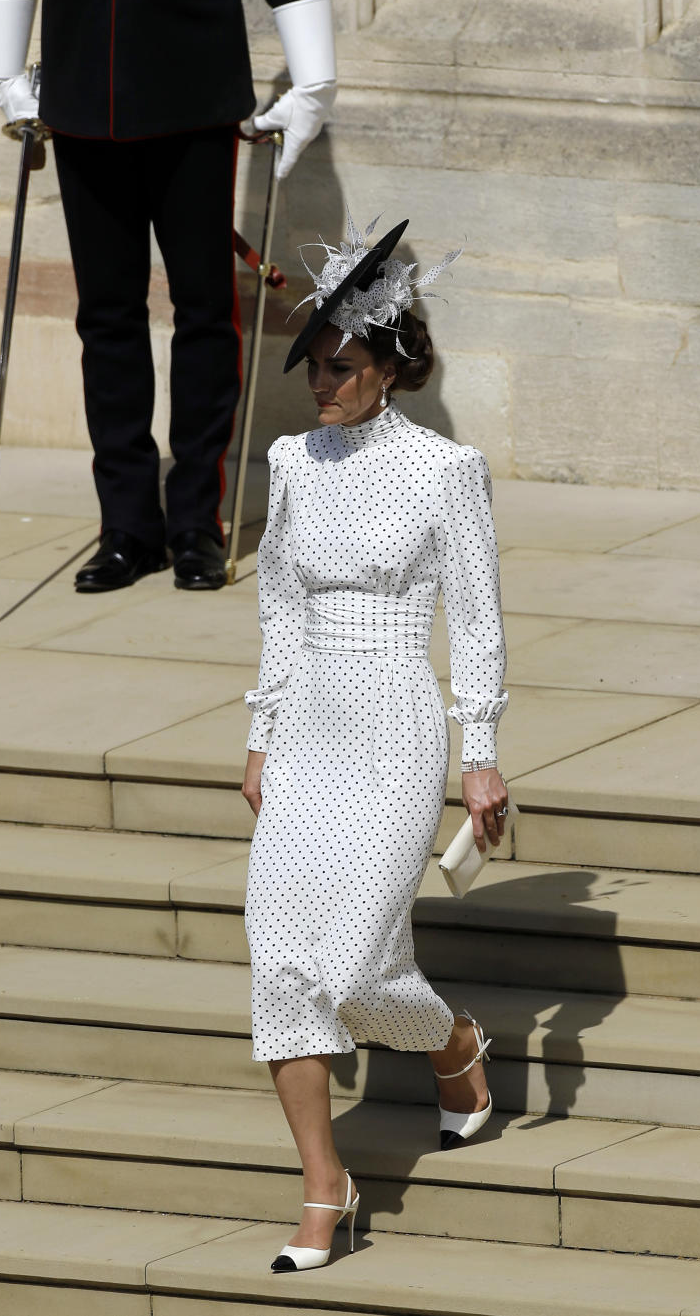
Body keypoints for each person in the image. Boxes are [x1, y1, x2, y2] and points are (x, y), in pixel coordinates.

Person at [241, 214, 509, 1272]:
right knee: (279, 967)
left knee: (354, 966)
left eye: (342, 366)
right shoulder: (291, 459)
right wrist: (262, 732)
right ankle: (324, 1184)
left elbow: (478, 617)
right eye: (314, 365)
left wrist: (478, 748)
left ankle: (455, 1046)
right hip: (308, 721)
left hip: (397, 724)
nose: (322, 382)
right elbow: (276, 607)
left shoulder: (448, 468)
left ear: (390, 365)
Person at [0, 0, 335, 592]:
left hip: (192, 81)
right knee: (107, 316)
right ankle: (128, 527)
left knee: (204, 311)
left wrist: (316, 81)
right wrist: (4, 76)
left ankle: (196, 521)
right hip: (83, 84)